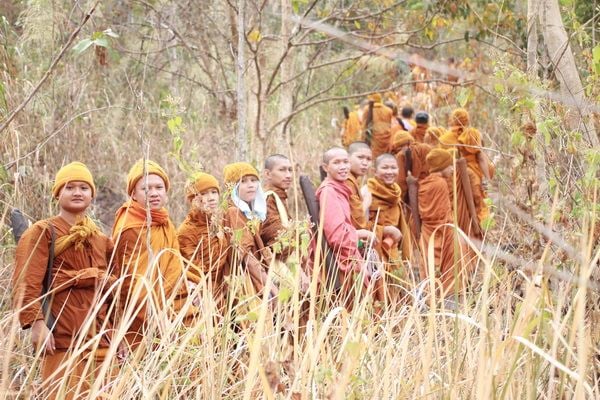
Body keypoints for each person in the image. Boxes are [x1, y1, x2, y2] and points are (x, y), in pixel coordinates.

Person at [13, 162, 122, 399]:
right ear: (57, 193)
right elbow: (27, 282)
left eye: (83, 187)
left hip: (100, 339)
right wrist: (37, 324)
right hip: (61, 339)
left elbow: (113, 291)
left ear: (92, 194)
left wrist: (117, 332)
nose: (77, 192)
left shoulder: (101, 240)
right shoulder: (44, 232)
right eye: (69, 187)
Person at [112, 159, 200, 348]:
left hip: (177, 300)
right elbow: (132, 281)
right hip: (147, 312)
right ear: (133, 194)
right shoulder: (129, 226)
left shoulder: (163, 220)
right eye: (146, 188)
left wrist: (192, 283)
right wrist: (156, 314)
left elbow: (174, 261)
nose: (154, 193)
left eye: (159, 187)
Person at [315, 147, 377, 307]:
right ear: (325, 167)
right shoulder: (329, 191)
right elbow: (337, 235)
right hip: (341, 260)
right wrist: (361, 233)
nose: (343, 167)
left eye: (345, 162)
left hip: (349, 255)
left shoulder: (340, 188)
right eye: (337, 163)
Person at [223, 162, 277, 298]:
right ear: (233, 187)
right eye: (243, 181)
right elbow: (248, 257)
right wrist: (271, 286)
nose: (251, 185)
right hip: (246, 281)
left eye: (253, 180)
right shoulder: (233, 212)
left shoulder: (250, 214)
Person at [177, 172, 230, 313]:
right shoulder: (186, 231)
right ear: (192, 199)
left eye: (214, 192)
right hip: (204, 300)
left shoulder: (218, 223)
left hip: (225, 292)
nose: (211, 198)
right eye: (204, 193)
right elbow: (195, 272)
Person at [418, 149, 467, 298]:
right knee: (451, 265)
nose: (452, 169)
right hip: (443, 229)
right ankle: (449, 297)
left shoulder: (424, 183)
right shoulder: (440, 183)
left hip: (427, 231)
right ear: (441, 166)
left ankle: (429, 298)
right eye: (449, 165)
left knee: (429, 264)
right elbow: (442, 213)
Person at [362, 154, 412, 269]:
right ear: (374, 171)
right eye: (385, 168)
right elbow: (359, 225)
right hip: (373, 253)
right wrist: (384, 230)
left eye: (393, 168)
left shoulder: (395, 193)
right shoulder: (367, 192)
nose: (390, 172)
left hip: (392, 250)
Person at [346, 142, 372, 230]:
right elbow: (355, 222)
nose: (365, 163)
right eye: (360, 157)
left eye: (368, 159)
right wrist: (366, 202)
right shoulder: (347, 181)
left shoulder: (354, 180)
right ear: (348, 158)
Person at [361, 93, 394, 159]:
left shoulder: (367, 109)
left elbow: (365, 125)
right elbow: (389, 125)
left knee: (374, 160)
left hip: (374, 139)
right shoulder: (389, 110)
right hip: (386, 139)